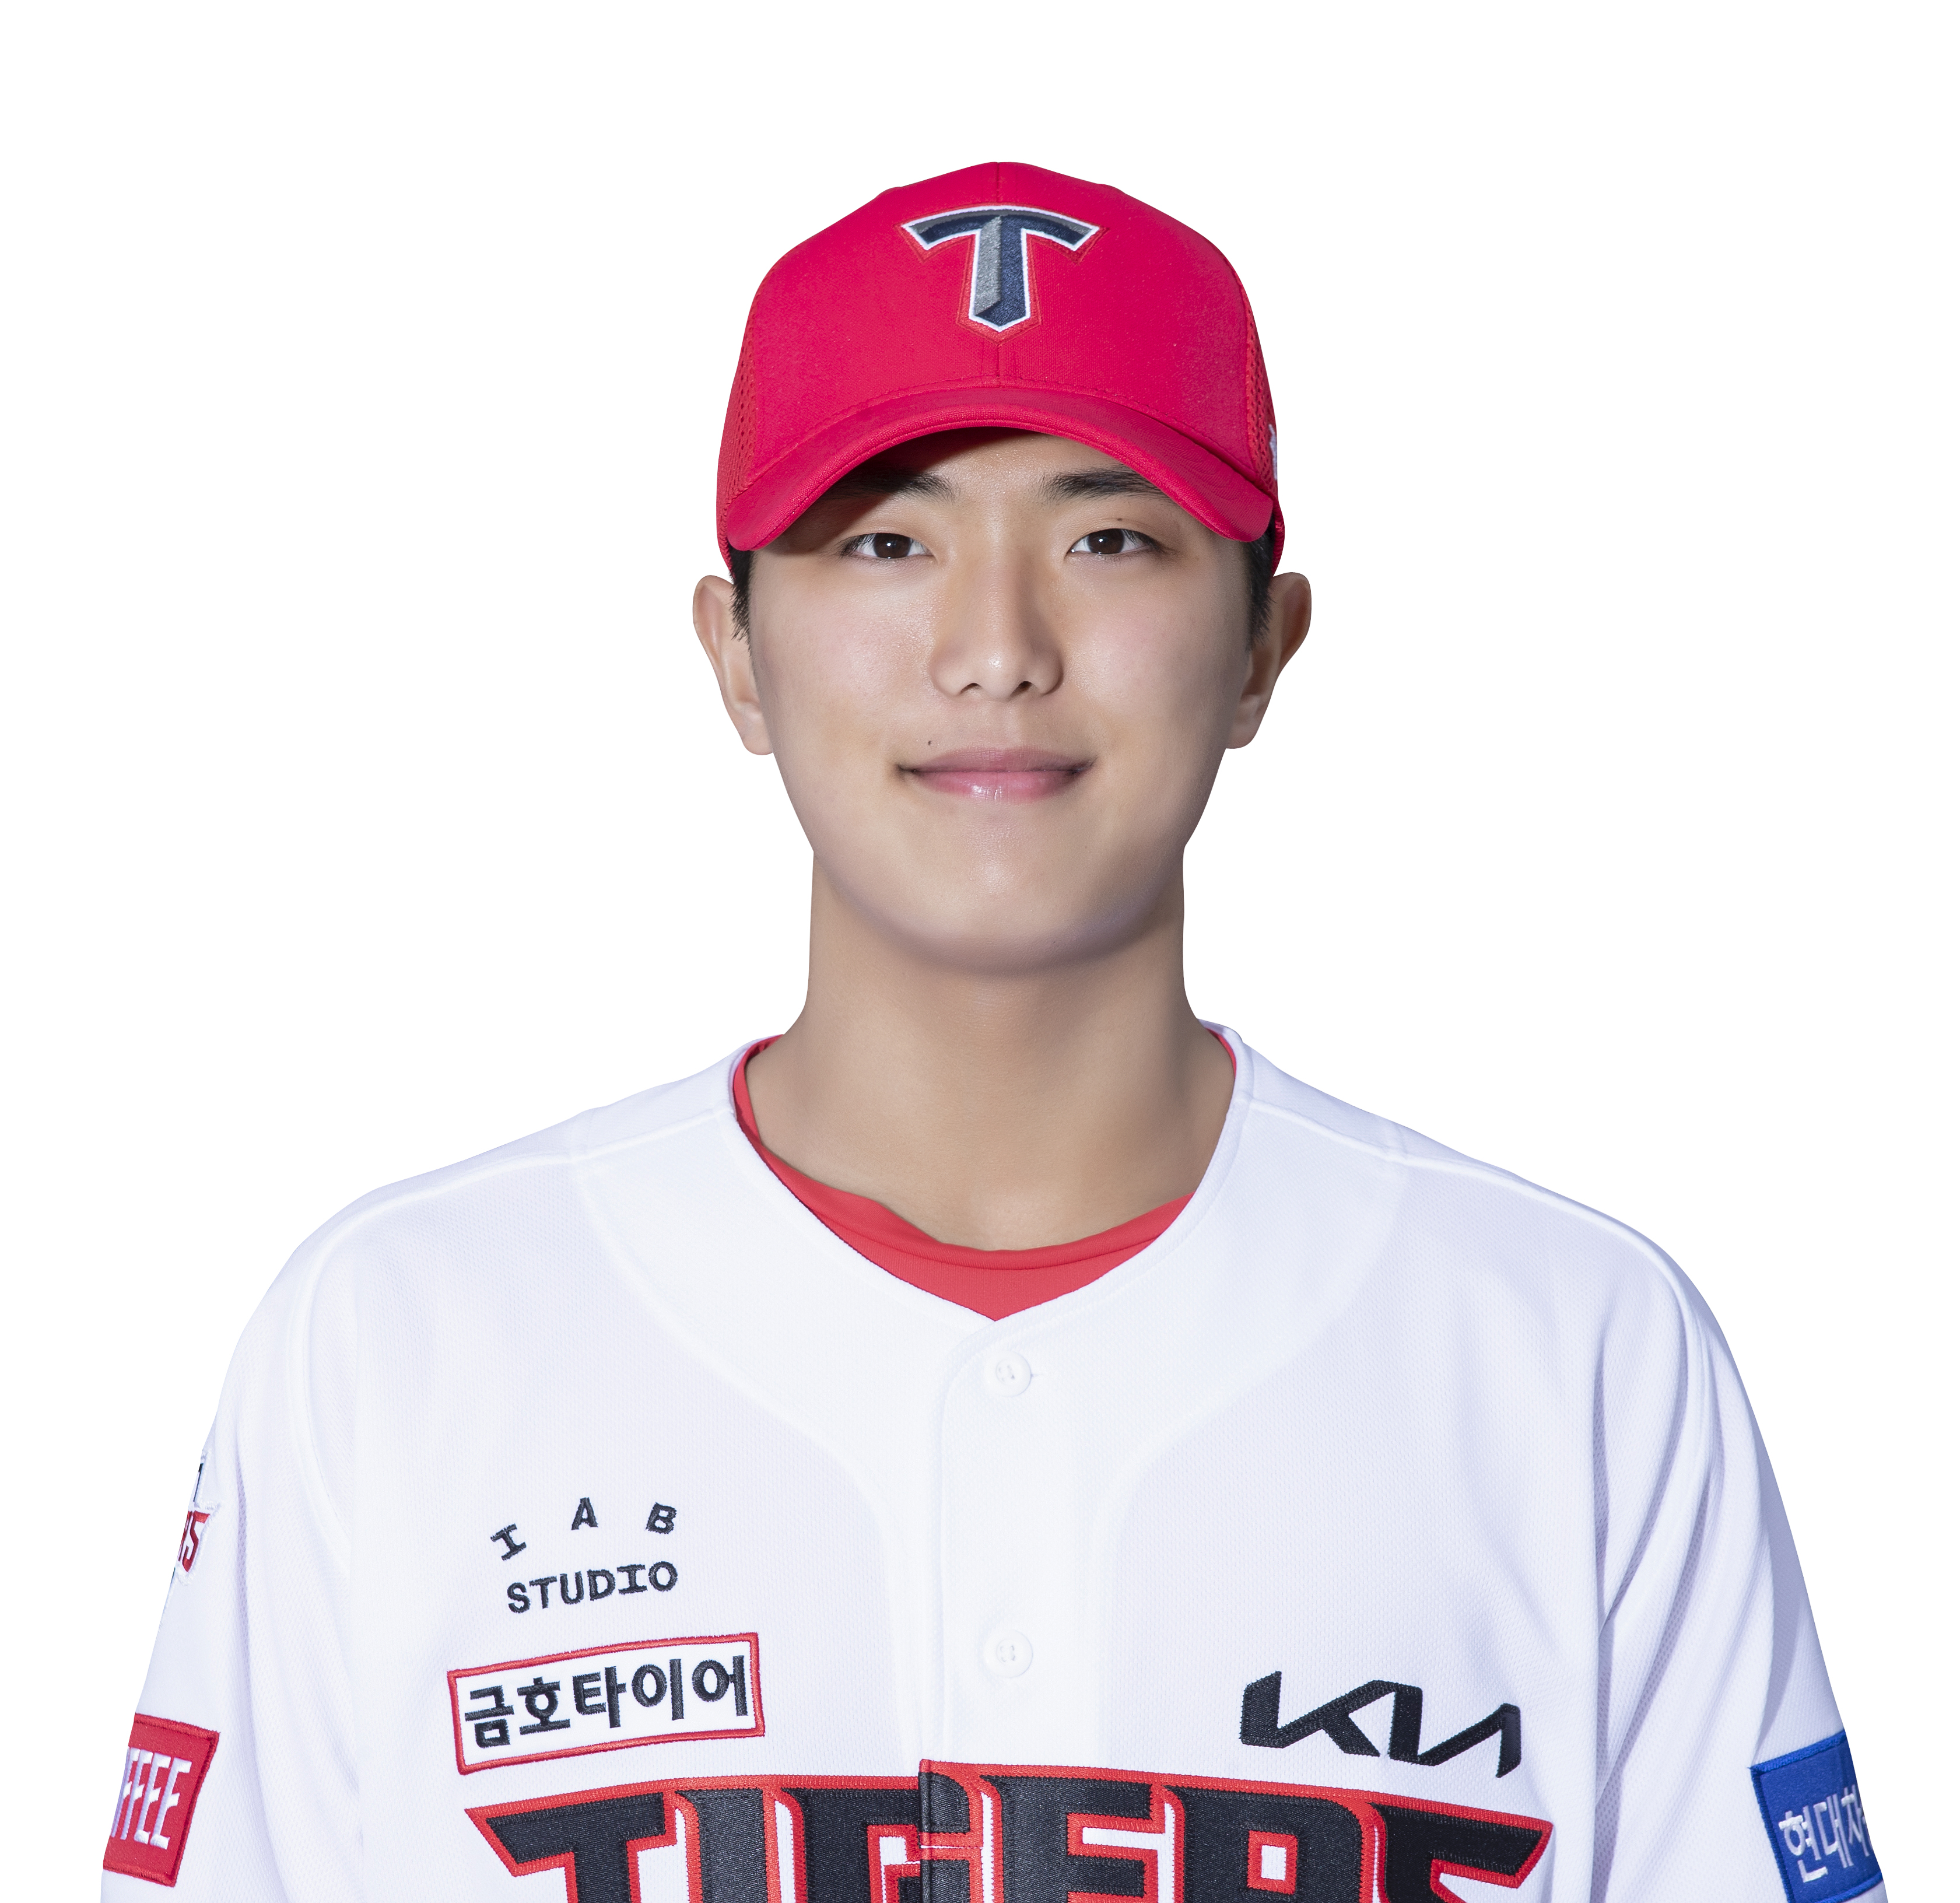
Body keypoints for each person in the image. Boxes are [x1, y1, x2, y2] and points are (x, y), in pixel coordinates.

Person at [104, 163, 1880, 1903]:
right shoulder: (402, 1336)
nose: (995, 648)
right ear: (735, 653)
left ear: (1262, 647)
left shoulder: (1568, 1350)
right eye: (886, 541)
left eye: (1110, 539)